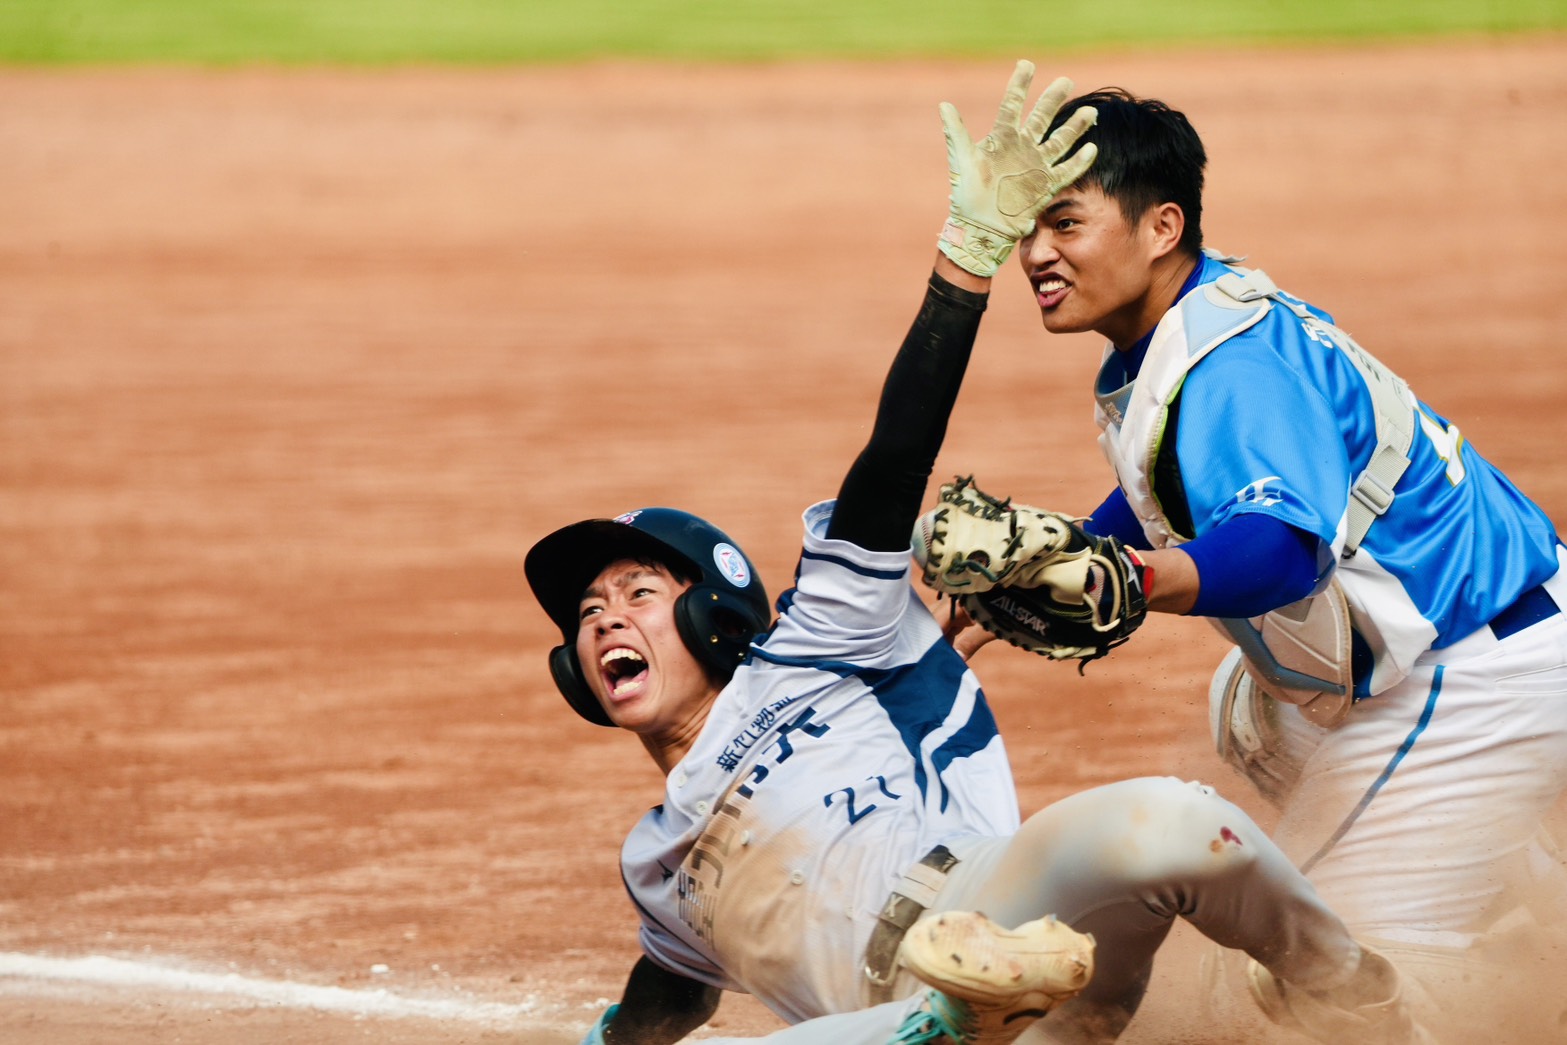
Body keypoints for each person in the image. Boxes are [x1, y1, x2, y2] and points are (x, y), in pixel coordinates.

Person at [525, 62, 1433, 1045]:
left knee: (1173, 825)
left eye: (638, 591)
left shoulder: (820, 648)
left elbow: (892, 462)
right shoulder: (655, 865)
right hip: (884, 1024)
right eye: (585, 615)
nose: (604, 617)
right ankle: (949, 1020)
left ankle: (1352, 993)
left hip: (1001, 920)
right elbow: (660, 1007)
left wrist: (966, 260)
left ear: (716, 612)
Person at [939, 85, 1567, 1039]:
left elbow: (1279, 552)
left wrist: (1131, 582)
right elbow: (1166, 492)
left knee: (1313, 977)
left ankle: (1465, 878)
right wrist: (1043, 569)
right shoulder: (1190, 321)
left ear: (1161, 226)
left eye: (1064, 221)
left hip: (1474, 676)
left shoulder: (1232, 368)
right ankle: (1497, 850)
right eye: (1028, 228)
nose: (1035, 253)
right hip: (1493, 626)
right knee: (1250, 706)